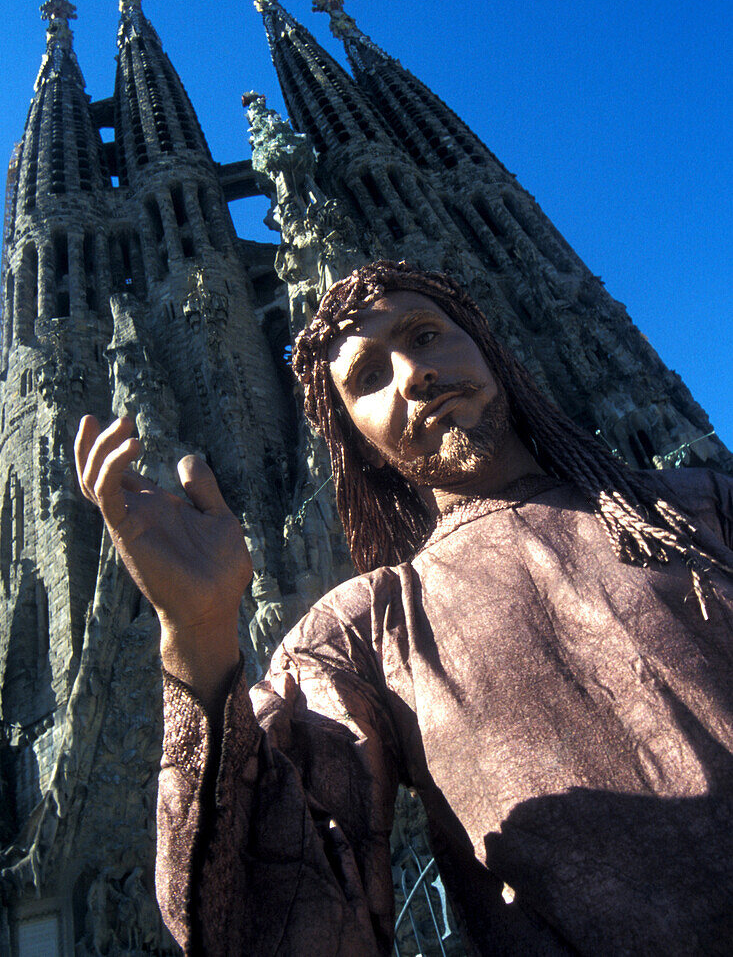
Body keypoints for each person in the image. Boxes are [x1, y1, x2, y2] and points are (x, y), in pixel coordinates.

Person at [74, 260, 733, 956]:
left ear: (488, 347)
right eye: (366, 378)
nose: (411, 375)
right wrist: (199, 633)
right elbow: (272, 899)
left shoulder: (694, 508)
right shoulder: (362, 630)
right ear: (357, 441)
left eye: (423, 336)